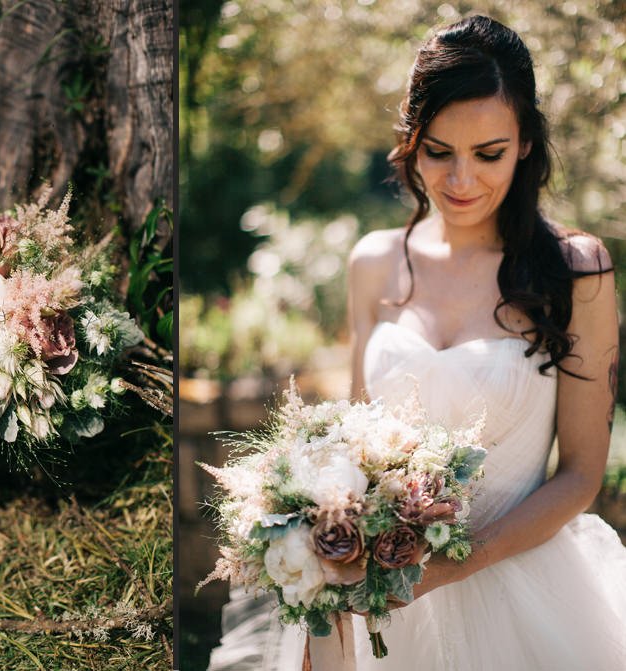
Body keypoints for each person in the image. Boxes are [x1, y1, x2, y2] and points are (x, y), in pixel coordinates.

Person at [209, 14, 625, 671]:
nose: (461, 180)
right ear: (411, 141)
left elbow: (579, 476)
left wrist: (447, 567)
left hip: (519, 587)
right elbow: (346, 442)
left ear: (525, 145)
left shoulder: (577, 270)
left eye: (488, 153)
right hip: (380, 596)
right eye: (439, 151)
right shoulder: (373, 262)